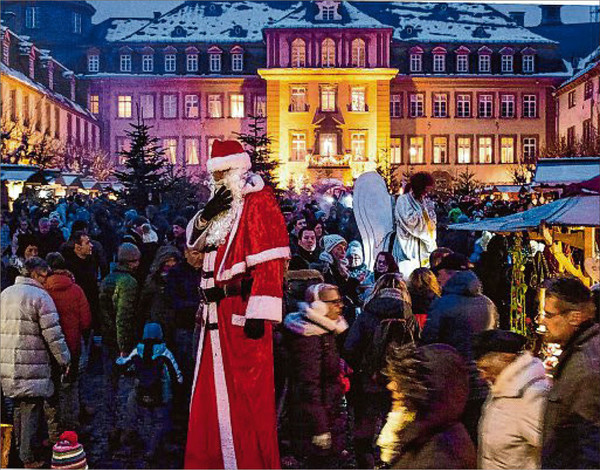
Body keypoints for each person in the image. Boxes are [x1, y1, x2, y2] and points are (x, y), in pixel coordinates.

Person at [184, 140, 290, 469]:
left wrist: (259, 313)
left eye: (224, 172)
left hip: (241, 315)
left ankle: (246, 461)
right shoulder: (220, 207)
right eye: (215, 173)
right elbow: (194, 241)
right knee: (211, 394)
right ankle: (213, 458)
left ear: (239, 169)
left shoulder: (258, 202)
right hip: (213, 318)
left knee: (245, 397)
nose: (219, 179)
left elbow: (270, 263)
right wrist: (206, 215)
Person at [0, 257, 71, 468]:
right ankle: (27, 457)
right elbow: (53, 335)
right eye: (44, 275)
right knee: (31, 408)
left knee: (19, 408)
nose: (46, 280)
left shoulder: (5, 294)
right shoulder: (40, 297)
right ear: (34, 274)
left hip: (7, 361)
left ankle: (19, 451)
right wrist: (64, 359)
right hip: (32, 362)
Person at [344, 273, 417, 468]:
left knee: (365, 426)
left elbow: (351, 347)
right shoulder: (409, 314)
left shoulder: (368, 314)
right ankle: (391, 462)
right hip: (398, 380)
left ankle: (366, 463)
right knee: (394, 423)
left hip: (369, 379)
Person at [421, 265, 497, 444]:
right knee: (475, 428)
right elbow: (492, 335)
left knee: (451, 432)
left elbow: (429, 340)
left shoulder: (443, 303)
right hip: (481, 378)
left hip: (451, 377)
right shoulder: (488, 304)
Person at [377, 343, 476, 468]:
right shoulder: (422, 434)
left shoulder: (439, 458)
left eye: (403, 381)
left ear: (431, 392)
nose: (391, 386)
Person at [284, 284, 349, 468]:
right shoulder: (309, 338)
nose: (340, 306)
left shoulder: (325, 332)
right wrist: (321, 428)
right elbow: (309, 385)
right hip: (316, 421)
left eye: (340, 300)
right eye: (334, 302)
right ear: (318, 307)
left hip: (328, 412)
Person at [538, 277, 599, 469]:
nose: (543, 321)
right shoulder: (577, 353)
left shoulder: (585, 367)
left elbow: (589, 445)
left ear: (574, 317)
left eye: (549, 315)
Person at [474, 330, 550, 469]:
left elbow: (552, 450)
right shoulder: (501, 389)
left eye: (486, 368)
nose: (482, 376)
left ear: (506, 358)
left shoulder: (530, 396)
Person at [117, 322, 183, 460]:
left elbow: (124, 365)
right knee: (159, 421)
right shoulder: (165, 352)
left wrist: (120, 358)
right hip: (161, 394)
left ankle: (141, 444)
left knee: (145, 418)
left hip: (142, 392)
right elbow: (176, 375)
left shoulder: (137, 351)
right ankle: (152, 449)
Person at [98, 242, 141, 449]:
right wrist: (124, 345)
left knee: (109, 386)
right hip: (122, 343)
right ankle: (126, 429)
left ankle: (110, 426)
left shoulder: (107, 279)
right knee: (129, 388)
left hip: (107, 339)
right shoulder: (129, 283)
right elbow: (123, 317)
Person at [45, 253, 92, 433]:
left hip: (48, 347)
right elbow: (86, 321)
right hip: (72, 345)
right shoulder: (76, 289)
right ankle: (71, 426)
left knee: (51, 388)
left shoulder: (43, 290)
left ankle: (53, 430)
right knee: (70, 387)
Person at [165, 246, 203, 405]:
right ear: (186, 253)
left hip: (203, 328)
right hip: (184, 328)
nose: (199, 258)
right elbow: (172, 301)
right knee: (185, 369)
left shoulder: (207, 271)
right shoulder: (177, 274)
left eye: (202, 253)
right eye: (195, 253)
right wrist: (196, 306)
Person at [394, 172, 437, 277]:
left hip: (423, 243)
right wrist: (423, 212)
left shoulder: (423, 201)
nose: (426, 194)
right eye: (425, 191)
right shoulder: (403, 200)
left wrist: (430, 214)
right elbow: (408, 221)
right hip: (409, 243)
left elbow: (431, 222)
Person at [139, 245, 181, 346]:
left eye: (173, 260)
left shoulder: (181, 278)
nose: (170, 263)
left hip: (175, 322)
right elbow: (144, 302)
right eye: (168, 260)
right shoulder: (153, 279)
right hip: (156, 322)